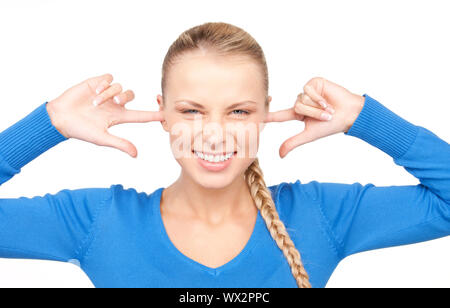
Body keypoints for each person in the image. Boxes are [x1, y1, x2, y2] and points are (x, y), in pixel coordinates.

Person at [0, 22, 449, 288]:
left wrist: (367, 119)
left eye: (238, 111)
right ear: (163, 115)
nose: (214, 135)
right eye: (191, 111)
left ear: (267, 114)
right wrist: (48, 124)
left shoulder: (322, 214)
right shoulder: (95, 219)